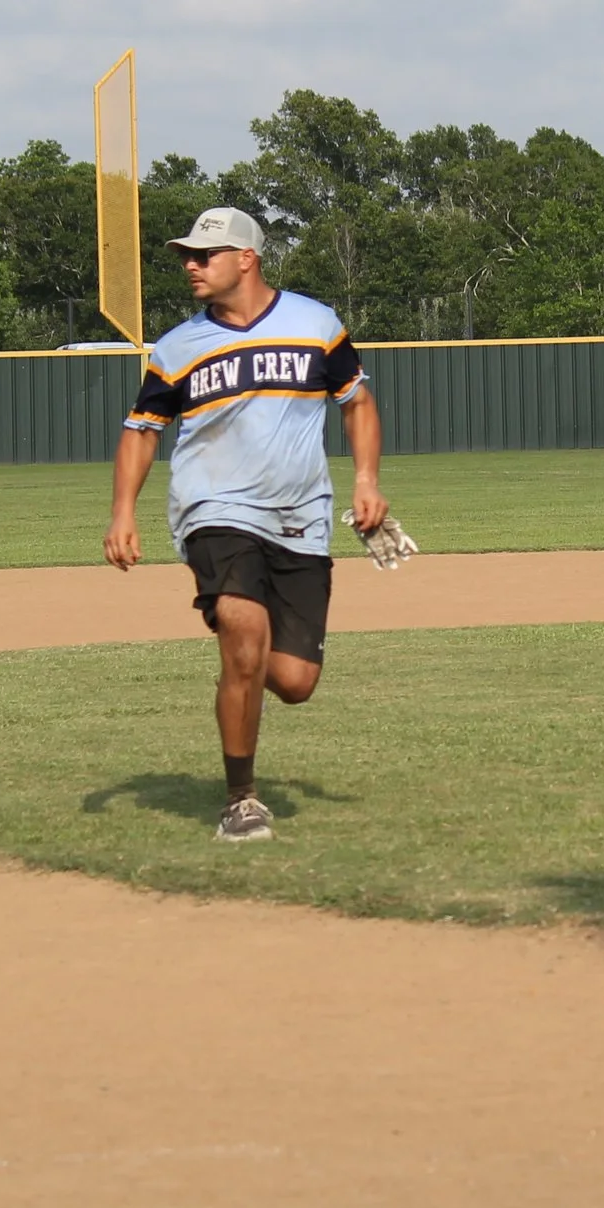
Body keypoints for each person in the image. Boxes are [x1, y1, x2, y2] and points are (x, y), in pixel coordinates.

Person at [102, 207, 387, 843]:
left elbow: (358, 404)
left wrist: (367, 481)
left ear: (246, 259)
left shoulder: (315, 325)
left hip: (300, 516)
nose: (191, 265)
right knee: (241, 625)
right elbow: (141, 431)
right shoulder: (177, 347)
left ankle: (248, 674)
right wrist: (123, 512)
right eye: (188, 255)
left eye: (205, 254)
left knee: (293, 681)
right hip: (215, 509)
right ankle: (241, 799)